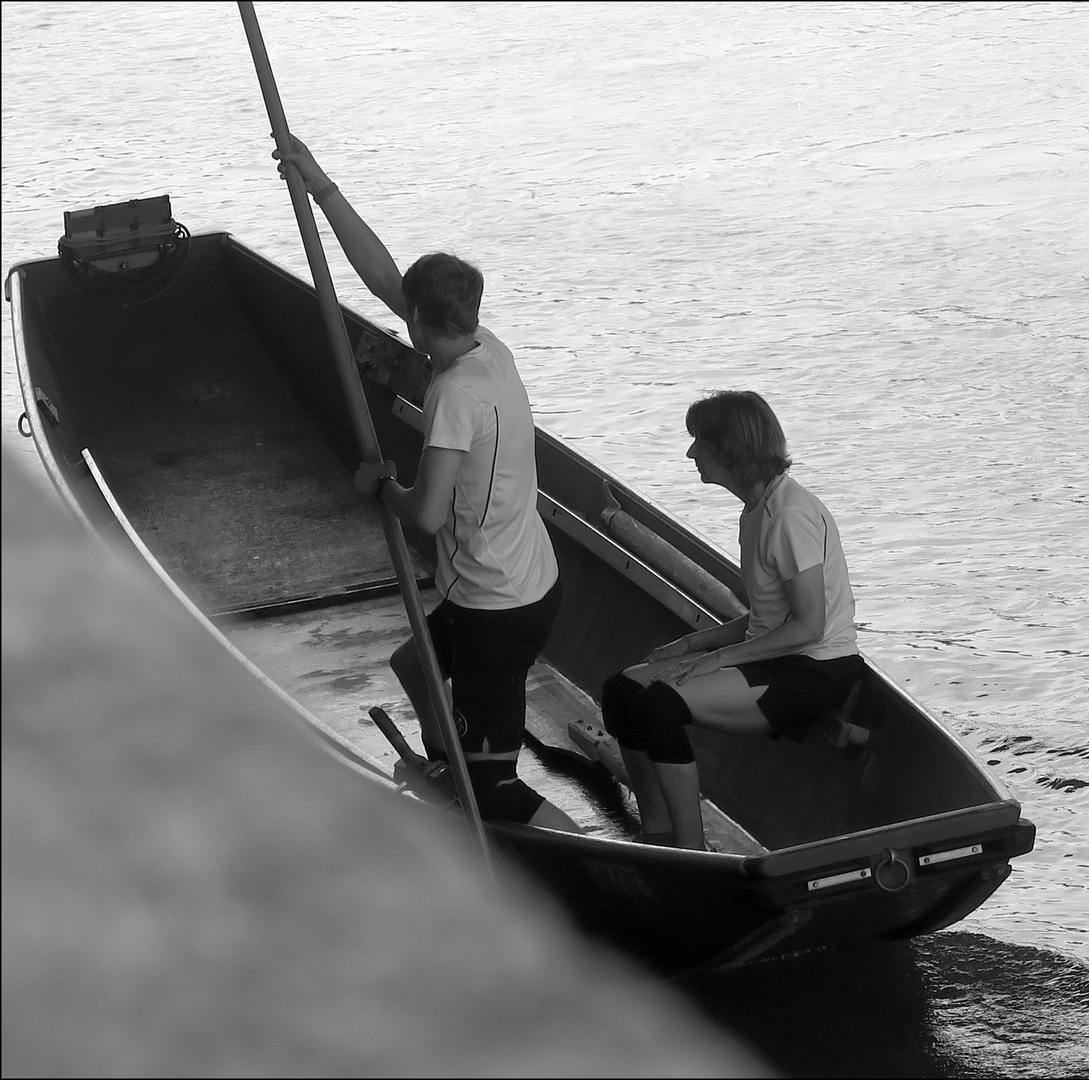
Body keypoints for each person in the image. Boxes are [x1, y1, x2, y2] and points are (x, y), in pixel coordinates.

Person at [274, 136, 578, 833]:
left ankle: (594, 864)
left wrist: (382, 486)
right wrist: (320, 186)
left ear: (417, 321)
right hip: (527, 578)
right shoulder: (484, 347)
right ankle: (451, 766)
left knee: (498, 789)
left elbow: (428, 513)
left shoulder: (453, 399)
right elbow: (385, 276)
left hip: (496, 608)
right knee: (414, 665)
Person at [601, 391, 865, 849]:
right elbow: (765, 620)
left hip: (813, 670)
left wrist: (714, 659)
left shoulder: (789, 517)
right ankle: (657, 832)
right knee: (622, 691)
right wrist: (691, 646)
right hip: (777, 656)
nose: (690, 453)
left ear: (730, 449)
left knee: (657, 707)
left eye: (699, 441)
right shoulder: (757, 511)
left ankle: (690, 851)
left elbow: (808, 627)